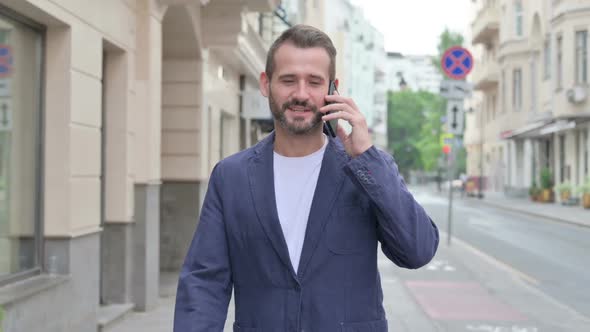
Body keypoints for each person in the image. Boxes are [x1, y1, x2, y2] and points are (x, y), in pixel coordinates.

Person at [173, 24, 439, 332]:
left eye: (314, 82)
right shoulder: (231, 176)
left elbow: (417, 251)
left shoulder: (365, 171)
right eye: (288, 80)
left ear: (332, 88)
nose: (301, 94)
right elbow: (204, 283)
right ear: (265, 83)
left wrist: (366, 157)